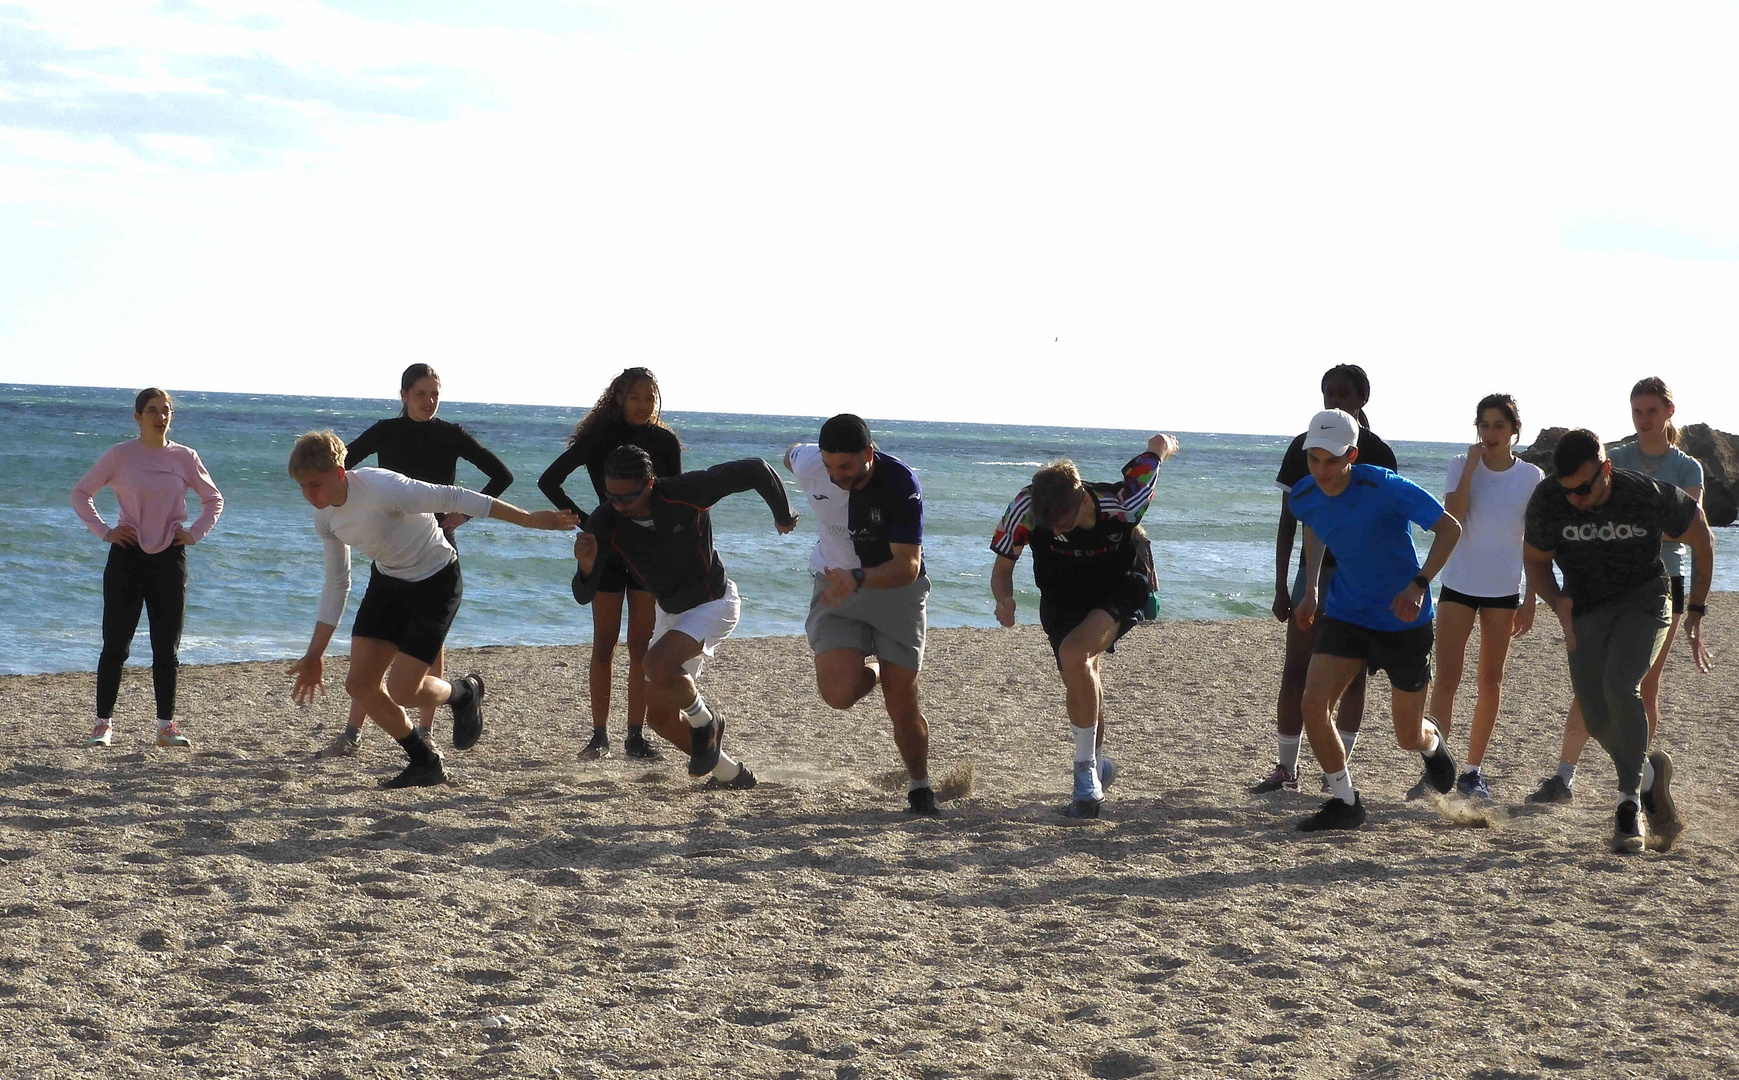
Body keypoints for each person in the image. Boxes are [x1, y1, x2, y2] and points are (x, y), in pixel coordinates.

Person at [285, 431, 577, 788]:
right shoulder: (325, 518)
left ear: (340, 472)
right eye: (301, 487)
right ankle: (425, 761)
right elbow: (336, 583)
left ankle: (464, 692)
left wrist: (530, 519)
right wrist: (315, 654)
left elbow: (455, 496)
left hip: (436, 580)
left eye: (314, 485)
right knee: (360, 685)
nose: (308, 495)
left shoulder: (383, 487)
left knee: (404, 690)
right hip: (388, 583)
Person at [1522, 429, 1714, 852]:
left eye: (1585, 488)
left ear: (1607, 469)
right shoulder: (1549, 499)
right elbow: (1535, 561)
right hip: (1585, 607)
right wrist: (1557, 602)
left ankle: (1630, 808)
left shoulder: (1645, 493)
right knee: (1594, 714)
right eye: (1567, 490)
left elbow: (1702, 536)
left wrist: (1696, 610)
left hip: (1645, 599)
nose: (1576, 499)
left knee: (1620, 685)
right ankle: (1649, 775)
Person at [570, 446, 799, 791]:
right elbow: (583, 594)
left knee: (655, 663)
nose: (619, 505)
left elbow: (755, 469)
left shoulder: (685, 493)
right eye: (611, 496)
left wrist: (783, 513)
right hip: (671, 612)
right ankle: (730, 773)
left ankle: (708, 721)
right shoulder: (606, 521)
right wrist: (586, 566)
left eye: (628, 496)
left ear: (649, 484)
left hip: (714, 604)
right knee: (661, 719)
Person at [316, 364, 515, 758]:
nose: (429, 401)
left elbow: (500, 475)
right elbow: (341, 465)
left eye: (435, 394)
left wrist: (464, 515)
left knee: (428, 644)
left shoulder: (450, 434)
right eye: (421, 393)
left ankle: (425, 729)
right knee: (376, 645)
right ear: (404, 395)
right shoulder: (386, 430)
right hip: (388, 542)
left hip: (435, 543)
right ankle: (353, 732)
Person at [1288, 408, 1462, 832]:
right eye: (1314, 459)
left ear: (1352, 454)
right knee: (1312, 704)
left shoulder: (1383, 486)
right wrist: (1310, 588)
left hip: (1405, 620)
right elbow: (1314, 526)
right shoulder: (1304, 494)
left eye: (1332, 460)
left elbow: (1450, 528)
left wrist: (1419, 584)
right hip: (1347, 614)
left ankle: (1433, 743)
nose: (1322, 470)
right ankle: (1346, 801)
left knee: (1407, 736)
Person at [990, 433, 1178, 818]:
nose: (1058, 529)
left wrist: (1161, 445)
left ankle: (1084, 777)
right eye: (1051, 523)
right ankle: (1097, 763)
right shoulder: (1025, 508)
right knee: (1080, 671)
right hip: (1062, 594)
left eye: (1065, 520)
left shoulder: (1122, 504)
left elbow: (1149, 464)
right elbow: (1003, 566)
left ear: (1080, 499)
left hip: (1121, 583)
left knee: (1076, 653)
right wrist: (1004, 599)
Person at [784, 414, 937, 815]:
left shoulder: (901, 484)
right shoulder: (812, 463)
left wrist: (859, 576)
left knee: (901, 704)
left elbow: (907, 565)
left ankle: (920, 787)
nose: (837, 476)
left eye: (847, 466)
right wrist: (781, 509)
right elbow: (789, 455)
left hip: (895, 592)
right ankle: (882, 669)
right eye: (830, 466)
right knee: (837, 694)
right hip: (835, 589)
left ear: (869, 454)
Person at [1258, 365, 1400, 793]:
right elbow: (1289, 521)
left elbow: (1392, 527)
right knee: (1296, 669)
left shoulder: (1377, 452)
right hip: (1313, 571)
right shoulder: (1303, 448)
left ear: (1363, 398)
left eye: (1344, 394)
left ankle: (1334, 770)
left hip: (1364, 575)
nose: (1335, 401)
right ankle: (1286, 768)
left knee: (1354, 676)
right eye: (1328, 394)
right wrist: (1282, 585)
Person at [539, 368, 682, 763]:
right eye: (635, 397)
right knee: (604, 643)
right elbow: (549, 480)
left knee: (640, 646)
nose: (643, 405)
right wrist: (589, 521)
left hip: (647, 552)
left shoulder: (664, 442)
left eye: (649, 398)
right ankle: (599, 734)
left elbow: (672, 496)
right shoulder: (599, 437)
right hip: (607, 548)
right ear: (618, 397)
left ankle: (634, 736)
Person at [71, 388, 224, 748]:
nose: (161, 416)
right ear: (138, 416)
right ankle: (103, 724)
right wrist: (106, 531)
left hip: (170, 557)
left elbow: (213, 498)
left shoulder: (185, 457)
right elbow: (81, 493)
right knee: (115, 645)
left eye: (166, 410)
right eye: (152, 411)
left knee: (166, 648)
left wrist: (194, 533)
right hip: (127, 555)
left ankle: (166, 726)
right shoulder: (120, 455)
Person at [1425, 394, 1543, 799]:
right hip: (1458, 584)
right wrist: (1472, 468)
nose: (1490, 433)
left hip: (1504, 589)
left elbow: (1533, 541)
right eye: (1484, 425)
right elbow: (1452, 517)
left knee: (1490, 680)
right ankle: (1436, 768)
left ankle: (1473, 771)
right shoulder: (1460, 465)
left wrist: (1530, 598)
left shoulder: (1531, 476)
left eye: (1498, 425)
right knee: (1447, 677)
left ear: (1514, 430)